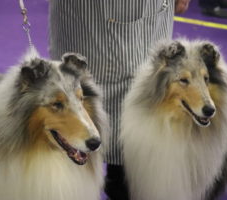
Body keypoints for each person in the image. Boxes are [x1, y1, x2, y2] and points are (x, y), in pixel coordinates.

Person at [49, 1, 189, 199]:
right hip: (88, 20)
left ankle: (124, 184)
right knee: (74, 110)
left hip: (150, 13)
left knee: (144, 105)